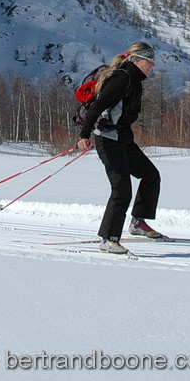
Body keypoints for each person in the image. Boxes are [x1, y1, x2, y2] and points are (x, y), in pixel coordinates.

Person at [77, 41, 164, 254]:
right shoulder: (122, 78)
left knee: (150, 175)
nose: (152, 66)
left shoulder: (135, 81)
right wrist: (84, 135)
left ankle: (137, 223)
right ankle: (108, 239)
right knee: (122, 189)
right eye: (149, 61)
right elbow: (97, 106)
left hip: (123, 139)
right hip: (107, 140)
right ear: (137, 60)